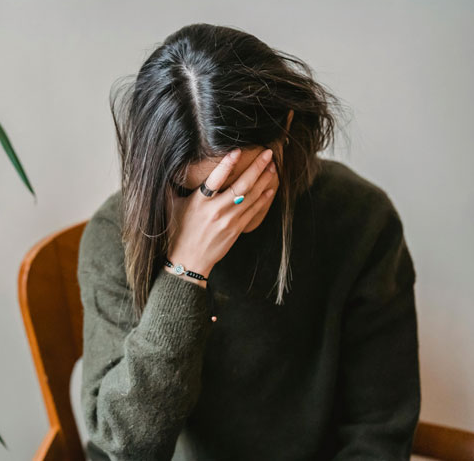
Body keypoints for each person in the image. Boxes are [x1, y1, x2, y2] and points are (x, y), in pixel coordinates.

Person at [77, 23, 419, 461]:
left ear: (286, 129)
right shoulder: (115, 235)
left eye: (239, 183)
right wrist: (186, 272)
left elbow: (379, 431)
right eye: (191, 190)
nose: (219, 211)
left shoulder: (361, 220)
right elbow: (123, 448)